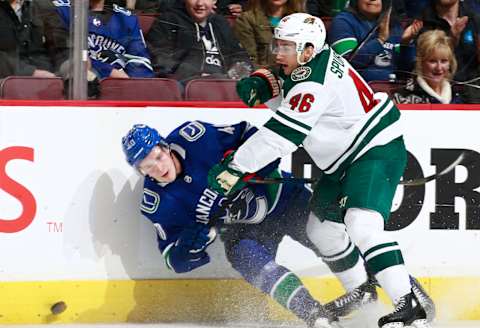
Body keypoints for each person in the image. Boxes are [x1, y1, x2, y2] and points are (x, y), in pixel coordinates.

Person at [207, 13, 435, 328]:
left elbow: (282, 135)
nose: (278, 53)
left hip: (372, 152)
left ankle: (409, 307)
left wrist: (235, 167)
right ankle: (363, 293)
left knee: (362, 224)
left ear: (308, 50)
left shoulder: (313, 84)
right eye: (279, 44)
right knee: (321, 231)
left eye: (286, 46)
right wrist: (265, 80)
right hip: (344, 161)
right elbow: (283, 75)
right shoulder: (310, 63)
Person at [121, 122, 342, 328]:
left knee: (330, 238)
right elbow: (174, 260)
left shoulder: (197, 138)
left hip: (283, 198)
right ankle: (314, 315)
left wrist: (254, 169)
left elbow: (251, 134)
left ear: (165, 147)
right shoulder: (157, 202)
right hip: (244, 230)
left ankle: (368, 285)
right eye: (147, 167)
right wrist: (189, 246)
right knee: (245, 256)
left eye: (158, 157)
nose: (158, 168)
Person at [146, 0, 252, 84]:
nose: (200, 3)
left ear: (214, 1)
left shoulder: (221, 23)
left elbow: (240, 56)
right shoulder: (168, 21)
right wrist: (196, 75)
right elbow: (160, 59)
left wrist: (234, 76)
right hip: (188, 84)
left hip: (225, 84)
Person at [45, 0, 154, 79]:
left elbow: (140, 61)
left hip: (121, 91)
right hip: (81, 87)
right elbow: (63, 55)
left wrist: (131, 86)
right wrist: (108, 71)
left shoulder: (126, 18)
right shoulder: (62, 10)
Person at [328, 0, 422, 82]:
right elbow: (346, 65)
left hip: (394, 92)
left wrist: (406, 43)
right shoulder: (343, 21)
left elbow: (405, 71)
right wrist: (380, 40)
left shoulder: (394, 25)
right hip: (359, 91)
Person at [419, 0, 480, 103]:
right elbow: (418, 64)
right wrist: (451, 38)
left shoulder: (474, 19)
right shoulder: (422, 22)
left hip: (473, 94)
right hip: (435, 94)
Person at [393, 29, 463, 103]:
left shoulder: (457, 95)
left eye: (444, 61)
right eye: (432, 61)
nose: (439, 68)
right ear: (421, 63)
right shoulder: (405, 97)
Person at [233, 0, 305, 68]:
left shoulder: (301, 19)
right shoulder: (247, 19)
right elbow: (249, 59)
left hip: (296, 73)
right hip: (264, 74)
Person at [0, 0, 55, 78]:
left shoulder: (42, 6)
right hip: (7, 80)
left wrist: (67, 68)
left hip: (49, 78)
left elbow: (59, 46)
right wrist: (30, 72)